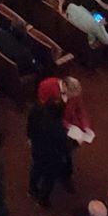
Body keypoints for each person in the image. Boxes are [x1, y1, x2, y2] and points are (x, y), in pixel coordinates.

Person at [27, 78, 77, 207]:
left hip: (37, 147)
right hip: (51, 157)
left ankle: (32, 189)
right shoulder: (58, 129)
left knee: (36, 169)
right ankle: (43, 200)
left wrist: (30, 138)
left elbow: (30, 125)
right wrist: (76, 142)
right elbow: (65, 148)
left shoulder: (36, 110)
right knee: (48, 179)